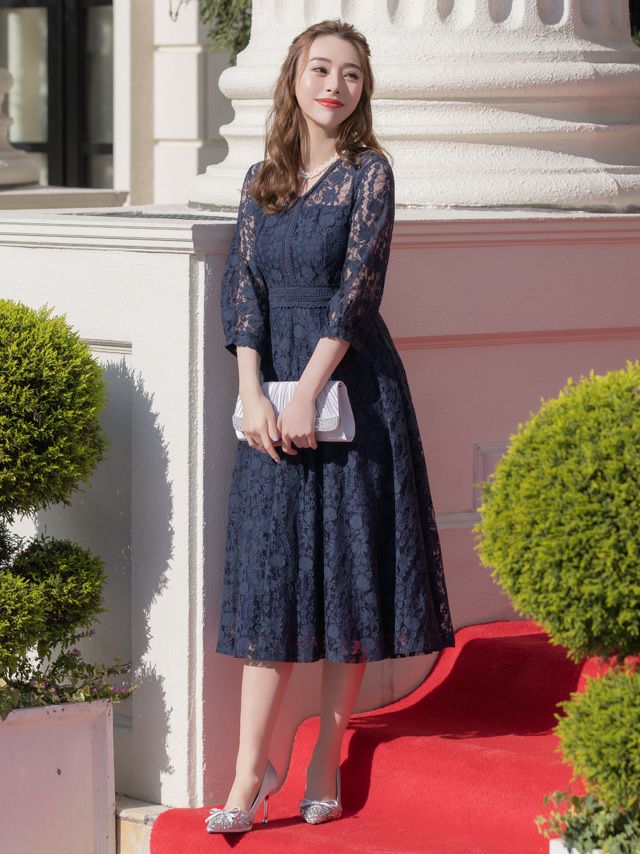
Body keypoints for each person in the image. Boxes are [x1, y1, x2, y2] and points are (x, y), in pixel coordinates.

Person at [206, 18, 456, 835]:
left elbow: (358, 291)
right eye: (321, 69)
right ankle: (249, 774)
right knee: (270, 582)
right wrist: (251, 391)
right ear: (294, 77)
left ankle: (323, 759)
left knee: (347, 580)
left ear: (363, 91)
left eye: (351, 75)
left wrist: (308, 390)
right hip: (269, 392)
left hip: (351, 389)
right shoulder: (262, 179)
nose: (335, 86)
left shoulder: (368, 174)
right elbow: (242, 289)